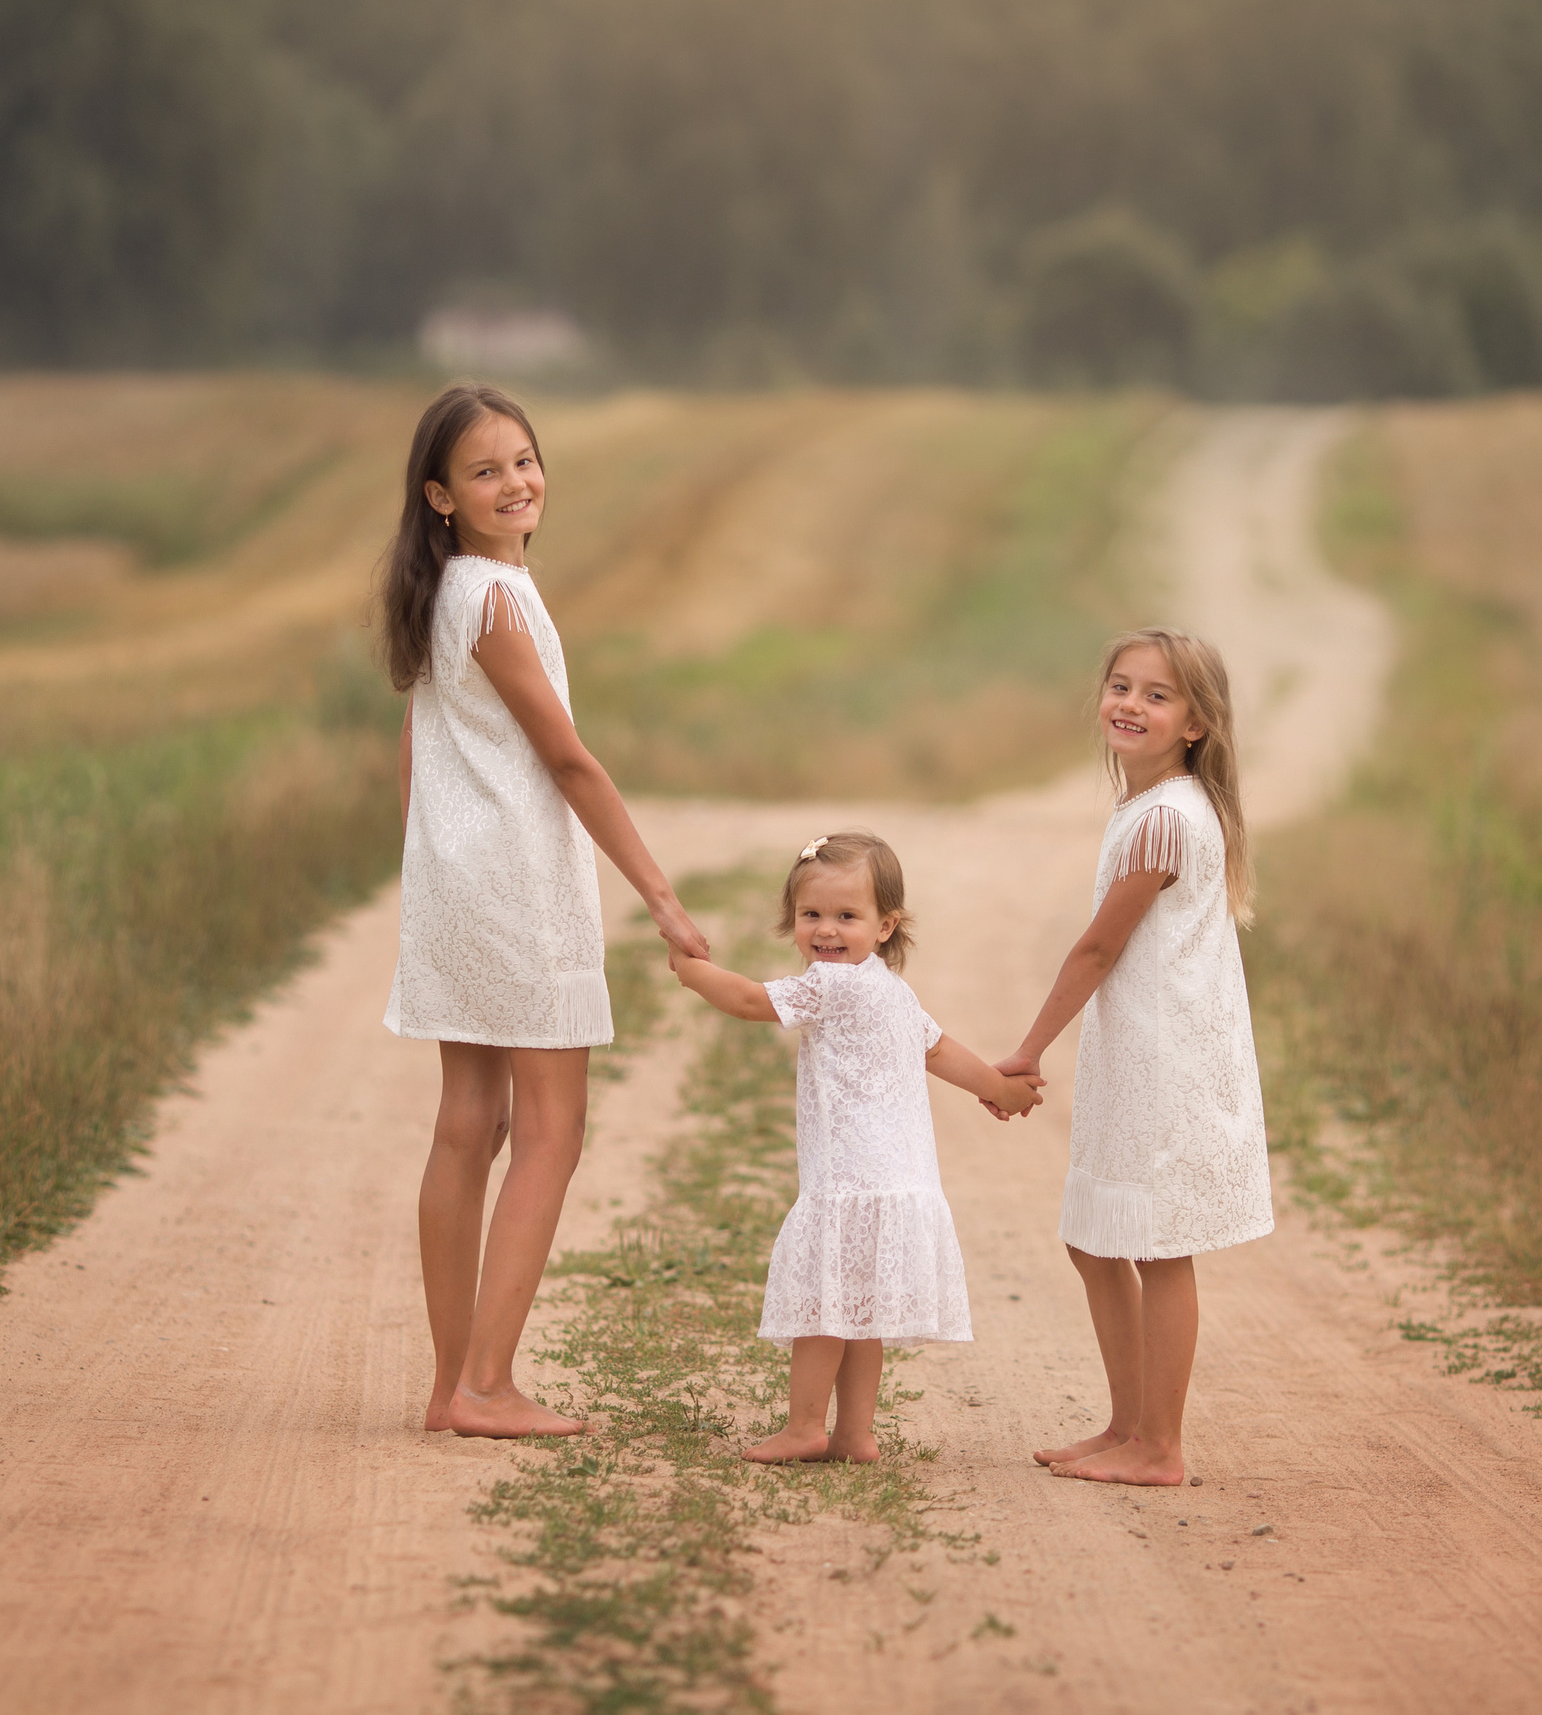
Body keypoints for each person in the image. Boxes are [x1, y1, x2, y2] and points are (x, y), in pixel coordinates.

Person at [379, 383, 710, 1440]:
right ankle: (485, 1384)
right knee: (553, 1132)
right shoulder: (499, 598)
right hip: (517, 886)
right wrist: (659, 893)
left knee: (467, 1125)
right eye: (485, 472)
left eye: (523, 460)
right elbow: (566, 756)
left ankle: (452, 1387)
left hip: (455, 881)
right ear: (440, 495)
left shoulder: (444, 593)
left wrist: (425, 860)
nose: (515, 482)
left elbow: (416, 745)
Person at [991, 629, 1271, 1485]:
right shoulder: (1155, 808)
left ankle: (1162, 1446)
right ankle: (1127, 1424)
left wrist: (1025, 1054)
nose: (1131, 704)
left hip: (1168, 1061)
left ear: (1195, 724)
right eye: (1121, 686)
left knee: (1156, 1246)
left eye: (1157, 695)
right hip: (1139, 1054)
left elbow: (1097, 951)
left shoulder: (1164, 818)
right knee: (1096, 1240)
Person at [669, 832, 1038, 1463]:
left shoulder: (834, 987)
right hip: (899, 1177)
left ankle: (805, 1427)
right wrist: (1001, 1088)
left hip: (850, 1178)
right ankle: (855, 1434)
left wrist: (691, 970)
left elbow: (750, 1000)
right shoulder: (892, 990)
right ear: (793, 920)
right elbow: (941, 1051)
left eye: (847, 917)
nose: (827, 932)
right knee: (861, 1312)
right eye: (812, 915)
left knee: (823, 1308)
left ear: (886, 924)